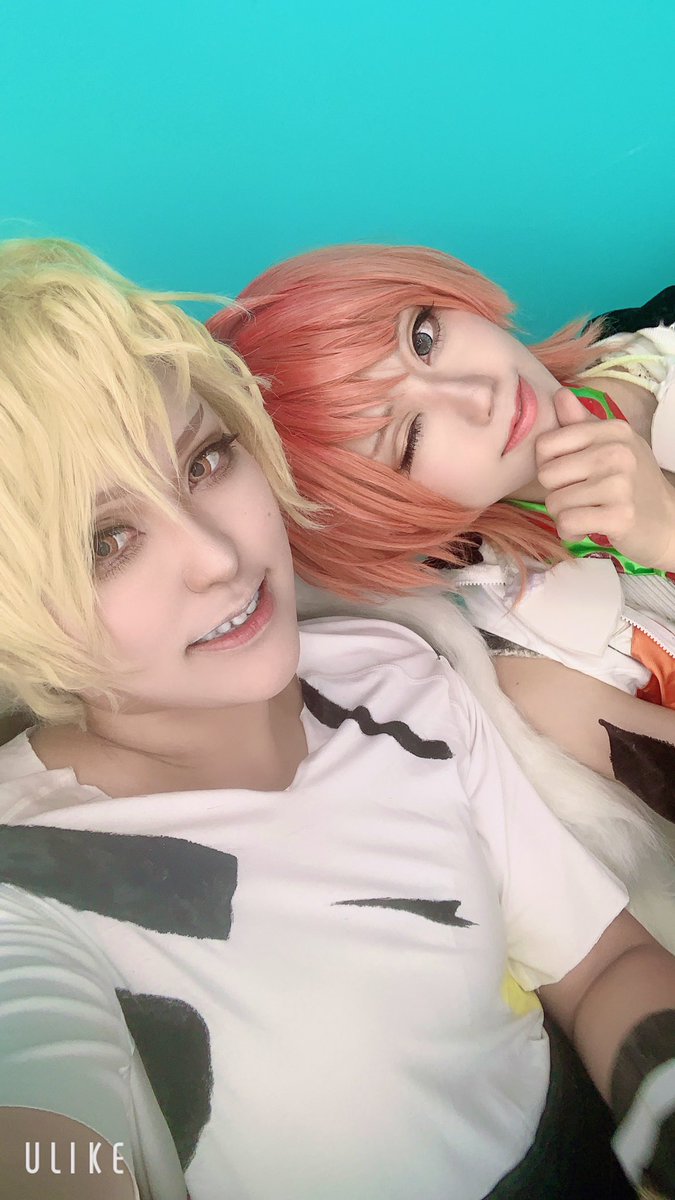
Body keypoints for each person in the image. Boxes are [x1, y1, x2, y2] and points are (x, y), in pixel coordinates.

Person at [0, 239, 674, 1200]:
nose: (217, 557)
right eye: (104, 542)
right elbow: (42, 1137)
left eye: (205, 459)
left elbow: (603, 964)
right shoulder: (25, 888)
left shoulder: (397, 673)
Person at [208, 245, 675, 819]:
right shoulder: (540, 669)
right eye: (410, 438)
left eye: (424, 339)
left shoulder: (652, 338)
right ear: (380, 520)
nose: (478, 393)